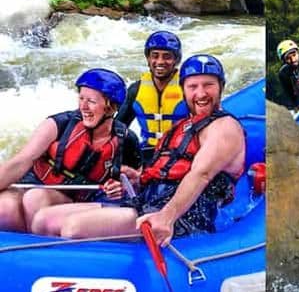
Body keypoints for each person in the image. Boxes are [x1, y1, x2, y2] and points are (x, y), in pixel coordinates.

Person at [32, 54, 246, 245]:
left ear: (221, 87)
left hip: (185, 215)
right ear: (183, 90)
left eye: (208, 85)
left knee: (73, 228)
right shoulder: (183, 126)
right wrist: (137, 178)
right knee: (43, 220)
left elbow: (202, 173)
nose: (201, 93)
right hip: (147, 202)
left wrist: (166, 217)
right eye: (193, 86)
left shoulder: (224, 127)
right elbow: (166, 170)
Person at [0, 69, 142, 233]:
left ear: (110, 108)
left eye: (91, 101)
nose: (83, 107)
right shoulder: (58, 125)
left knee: (35, 198)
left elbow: (135, 185)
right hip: (37, 184)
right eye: (81, 98)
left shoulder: (126, 140)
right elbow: (19, 163)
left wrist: (123, 185)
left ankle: (44, 247)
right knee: (5, 209)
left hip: (79, 200)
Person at [117, 31, 189, 162]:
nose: (160, 62)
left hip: (181, 153)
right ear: (148, 59)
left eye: (167, 57)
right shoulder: (135, 90)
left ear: (176, 60)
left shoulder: (188, 88)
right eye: (155, 56)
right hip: (147, 153)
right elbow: (118, 128)